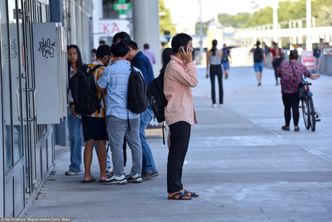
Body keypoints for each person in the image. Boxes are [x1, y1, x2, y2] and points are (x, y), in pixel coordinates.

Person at [98, 42, 143, 184]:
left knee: (116, 145)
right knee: (135, 144)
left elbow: (100, 85)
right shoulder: (135, 70)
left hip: (116, 114)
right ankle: (136, 174)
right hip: (134, 114)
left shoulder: (109, 70)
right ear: (126, 54)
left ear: (112, 55)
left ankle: (119, 174)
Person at [164, 33, 199, 200]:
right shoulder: (174, 66)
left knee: (180, 153)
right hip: (178, 114)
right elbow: (192, 81)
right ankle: (173, 190)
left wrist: (188, 62)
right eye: (190, 48)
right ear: (182, 49)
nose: (192, 51)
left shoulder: (179, 65)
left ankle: (178, 186)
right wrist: (191, 62)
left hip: (182, 114)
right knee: (177, 154)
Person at [124, 39, 159, 180]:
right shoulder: (140, 58)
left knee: (138, 135)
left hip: (145, 105)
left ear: (131, 48)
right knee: (138, 135)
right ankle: (148, 167)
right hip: (146, 103)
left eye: (125, 51)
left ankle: (149, 168)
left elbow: (140, 84)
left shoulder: (139, 60)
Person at [81, 45, 111, 183]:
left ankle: (87, 174)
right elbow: (104, 92)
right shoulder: (102, 70)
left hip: (85, 112)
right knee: (101, 143)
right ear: (105, 57)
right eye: (108, 58)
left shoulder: (86, 67)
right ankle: (103, 174)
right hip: (98, 113)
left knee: (89, 142)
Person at [278, 50, 320, 132]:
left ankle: (287, 126)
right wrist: (317, 76)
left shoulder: (283, 65)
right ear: (297, 58)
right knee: (295, 108)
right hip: (296, 90)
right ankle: (296, 126)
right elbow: (310, 76)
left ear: (290, 57)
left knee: (287, 107)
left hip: (285, 90)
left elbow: (278, 74)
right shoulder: (301, 66)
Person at [66, 45, 84, 176]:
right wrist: (72, 103)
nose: (72, 56)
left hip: (86, 107)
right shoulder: (64, 71)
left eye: (74, 53)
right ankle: (75, 166)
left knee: (95, 138)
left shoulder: (84, 70)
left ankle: (106, 165)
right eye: (69, 53)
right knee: (74, 137)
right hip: (72, 108)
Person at [206, 39, 223, 107]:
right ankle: (221, 102)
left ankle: (214, 103)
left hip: (212, 68)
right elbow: (220, 60)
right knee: (220, 85)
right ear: (217, 44)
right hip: (219, 67)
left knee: (213, 86)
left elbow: (207, 63)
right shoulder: (220, 52)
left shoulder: (208, 52)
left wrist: (207, 72)